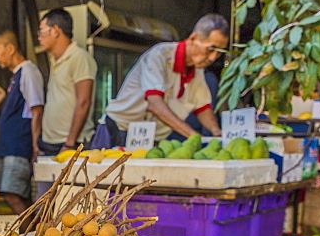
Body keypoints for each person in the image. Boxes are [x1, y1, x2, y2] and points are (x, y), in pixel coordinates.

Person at [92, 13, 229, 148]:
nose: (213, 58)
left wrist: (216, 132)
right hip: (119, 129)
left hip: (151, 138)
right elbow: (155, 104)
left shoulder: (197, 71)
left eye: (219, 52)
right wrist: (194, 136)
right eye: (210, 49)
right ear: (193, 38)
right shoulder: (160, 55)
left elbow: (202, 107)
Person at [0, 30, 45, 213]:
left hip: (19, 146)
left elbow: (37, 110)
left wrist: (36, 146)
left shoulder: (28, 71)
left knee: (13, 194)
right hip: (8, 147)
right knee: (12, 195)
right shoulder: (16, 74)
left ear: (11, 48)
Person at [37, 8, 97, 155]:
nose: (39, 38)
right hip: (50, 143)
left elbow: (84, 102)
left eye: (42, 32)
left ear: (56, 31)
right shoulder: (55, 60)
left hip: (70, 144)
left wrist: (70, 143)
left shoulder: (79, 57)